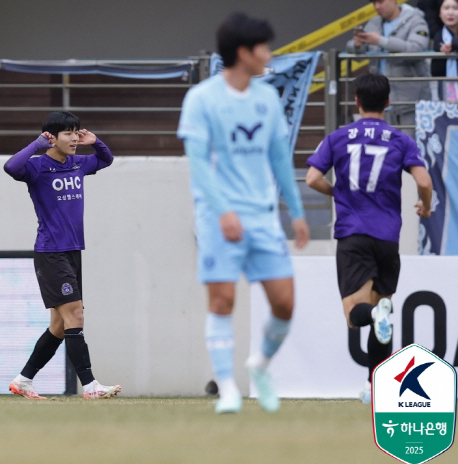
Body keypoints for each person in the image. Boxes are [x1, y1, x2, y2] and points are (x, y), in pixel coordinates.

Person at [178, 12, 310, 414]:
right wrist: (222, 211)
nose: (269, 54)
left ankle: (261, 365)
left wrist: (298, 211)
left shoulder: (267, 98)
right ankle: (229, 388)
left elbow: (279, 159)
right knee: (222, 301)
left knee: (285, 303)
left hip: (263, 217)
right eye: (264, 48)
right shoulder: (202, 99)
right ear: (243, 53)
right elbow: (197, 163)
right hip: (218, 218)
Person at [305, 73, 433, 404]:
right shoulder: (401, 140)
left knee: (356, 314)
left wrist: (337, 193)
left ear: (356, 101)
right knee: (382, 315)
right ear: (388, 102)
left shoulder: (338, 137)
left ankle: (374, 341)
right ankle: (374, 388)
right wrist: (426, 207)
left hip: (354, 234)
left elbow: (311, 178)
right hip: (388, 238)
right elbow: (425, 181)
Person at [3, 111, 121, 400]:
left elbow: (106, 161)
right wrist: (36, 145)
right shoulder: (37, 166)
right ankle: (90, 386)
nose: (75, 139)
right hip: (51, 252)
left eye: (77, 132)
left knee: (59, 326)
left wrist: (97, 142)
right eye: (68, 133)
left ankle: (23, 380)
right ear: (52, 137)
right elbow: (10, 167)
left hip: (71, 251)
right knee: (76, 314)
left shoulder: (77, 163)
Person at [348, 0, 431, 137]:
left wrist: (381, 41)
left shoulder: (415, 19)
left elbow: (417, 49)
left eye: (380, 2)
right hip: (380, 100)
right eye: (374, 3)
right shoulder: (374, 23)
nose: (377, 7)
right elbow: (356, 53)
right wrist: (357, 45)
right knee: (384, 147)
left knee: (409, 146)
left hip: (410, 100)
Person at [430, 0, 458, 101]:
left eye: (455, 8)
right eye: (446, 8)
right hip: (445, 88)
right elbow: (435, 71)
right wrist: (441, 51)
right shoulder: (438, 35)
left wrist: (453, 45)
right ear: (439, 13)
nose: (450, 13)